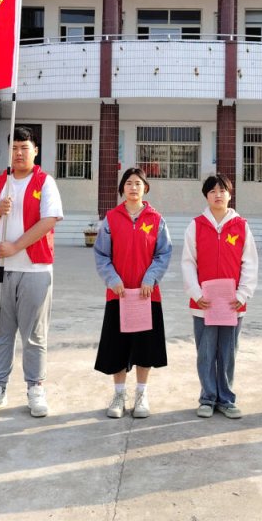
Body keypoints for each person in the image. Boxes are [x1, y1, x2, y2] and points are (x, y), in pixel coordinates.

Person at [0, 126, 63, 418]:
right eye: (14, 148)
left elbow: (49, 220)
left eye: (25, 148)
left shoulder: (45, 182)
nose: (19, 153)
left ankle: (35, 387)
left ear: (35, 151)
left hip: (34, 269)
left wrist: (15, 246)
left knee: (34, 333)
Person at [94, 167, 173, 419]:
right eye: (128, 183)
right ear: (122, 189)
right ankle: (119, 395)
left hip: (146, 296)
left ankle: (141, 394)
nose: (133, 187)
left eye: (138, 183)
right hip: (119, 295)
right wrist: (112, 279)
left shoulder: (156, 219)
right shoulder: (111, 219)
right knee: (117, 346)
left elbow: (164, 253)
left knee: (144, 347)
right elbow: (101, 254)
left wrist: (150, 278)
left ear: (145, 188)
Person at [180, 174, 259, 419]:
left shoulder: (241, 226)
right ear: (206, 195)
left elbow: (250, 263)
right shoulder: (196, 225)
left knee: (228, 352)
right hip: (204, 303)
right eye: (212, 191)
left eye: (222, 190)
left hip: (232, 303)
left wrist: (242, 294)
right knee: (205, 352)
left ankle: (226, 399)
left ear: (230, 194)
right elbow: (188, 262)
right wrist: (196, 293)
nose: (218, 195)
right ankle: (207, 397)